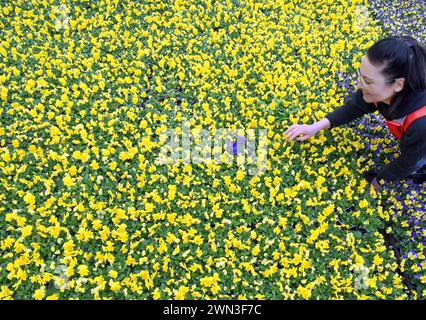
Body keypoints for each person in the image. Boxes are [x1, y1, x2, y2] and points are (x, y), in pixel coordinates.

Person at [284, 35, 426, 192]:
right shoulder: (384, 92)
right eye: (360, 75)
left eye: (368, 81)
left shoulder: (421, 123)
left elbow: (408, 162)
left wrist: (375, 184)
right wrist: (315, 127)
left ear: (398, 84)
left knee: (419, 159)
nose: (359, 85)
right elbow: (355, 107)